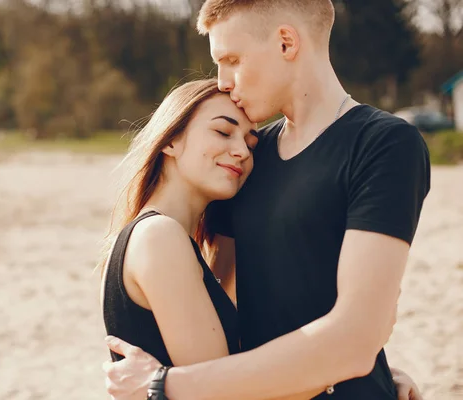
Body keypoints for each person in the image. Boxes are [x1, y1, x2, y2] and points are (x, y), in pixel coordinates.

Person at [102, 1, 430, 400]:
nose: (223, 81)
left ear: (286, 42)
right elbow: (224, 324)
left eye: (231, 59)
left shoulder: (383, 145)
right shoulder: (246, 163)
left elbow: (356, 339)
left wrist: (163, 385)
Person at [100, 78, 256, 368]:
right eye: (223, 132)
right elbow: (214, 387)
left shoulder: (159, 237)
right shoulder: (159, 236)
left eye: (250, 144)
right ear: (170, 139)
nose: (243, 152)